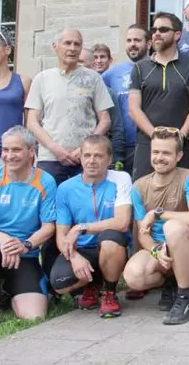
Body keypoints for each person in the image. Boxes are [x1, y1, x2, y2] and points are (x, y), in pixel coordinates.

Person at [123, 128, 189, 325]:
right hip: (159, 246)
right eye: (156, 152)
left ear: (179, 156)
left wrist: (159, 213)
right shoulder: (139, 187)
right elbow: (143, 233)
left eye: (166, 153)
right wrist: (156, 250)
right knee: (133, 277)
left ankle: (184, 299)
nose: (160, 157)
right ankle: (170, 282)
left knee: (172, 228)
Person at [49, 135, 131, 318]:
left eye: (98, 156)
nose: (91, 161)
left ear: (109, 160)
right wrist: (74, 256)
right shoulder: (65, 188)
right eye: (87, 155)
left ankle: (109, 293)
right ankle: (93, 284)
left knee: (110, 239)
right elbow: (61, 236)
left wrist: (81, 227)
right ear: (81, 158)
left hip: (111, 245)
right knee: (60, 284)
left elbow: (122, 222)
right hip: (83, 249)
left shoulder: (121, 179)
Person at [0, 126, 56, 328]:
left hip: (24, 253)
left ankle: (6, 287)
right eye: (5, 150)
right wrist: (3, 239)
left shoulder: (46, 181)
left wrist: (26, 244)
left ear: (31, 152)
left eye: (16, 150)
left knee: (34, 316)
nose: (9, 155)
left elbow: (49, 227)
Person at [26, 29, 113, 184]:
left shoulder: (93, 78)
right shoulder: (42, 79)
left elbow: (105, 120)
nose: (72, 48)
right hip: (50, 158)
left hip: (86, 159)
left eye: (77, 44)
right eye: (67, 43)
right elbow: (32, 122)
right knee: (49, 204)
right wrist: (55, 149)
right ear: (55, 46)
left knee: (85, 205)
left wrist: (84, 149)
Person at [129, 12, 189, 180]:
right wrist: (156, 136)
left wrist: (180, 136)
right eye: (153, 29)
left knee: (181, 199)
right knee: (144, 198)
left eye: (163, 29)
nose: (156, 33)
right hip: (147, 145)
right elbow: (133, 109)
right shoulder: (140, 68)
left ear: (177, 34)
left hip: (181, 146)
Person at [102, 25, 151, 175]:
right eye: (129, 40)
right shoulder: (111, 74)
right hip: (122, 148)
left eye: (137, 40)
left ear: (148, 44)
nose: (132, 44)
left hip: (150, 143)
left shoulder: (155, 69)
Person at [0, 31, 31, 173]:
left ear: (7, 50)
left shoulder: (24, 81)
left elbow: (29, 123)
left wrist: (30, 151)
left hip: (14, 155)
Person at [79, 48, 126, 171]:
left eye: (81, 61)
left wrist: (118, 158)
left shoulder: (107, 92)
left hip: (96, 158)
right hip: (64, 157)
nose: (77, 65)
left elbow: (117, 128)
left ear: (92, 65)